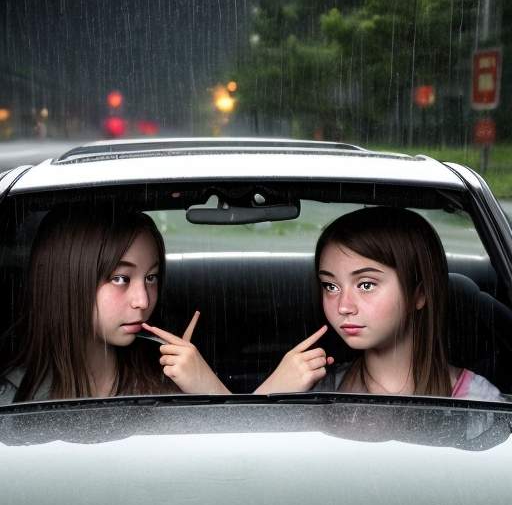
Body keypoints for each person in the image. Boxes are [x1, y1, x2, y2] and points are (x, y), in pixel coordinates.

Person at [255, 206, 502, 400]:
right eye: (331, 286)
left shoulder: (479, 402)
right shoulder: (316, 389)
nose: (344, 306)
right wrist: (271, 392)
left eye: (366, 285)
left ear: (420, 294)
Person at [0, 204, 229, 403]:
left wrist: (208, 389)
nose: (143, 300)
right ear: (68, 282)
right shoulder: (13, 399)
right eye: (120, 279)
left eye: (151, 278)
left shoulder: (172, 377)